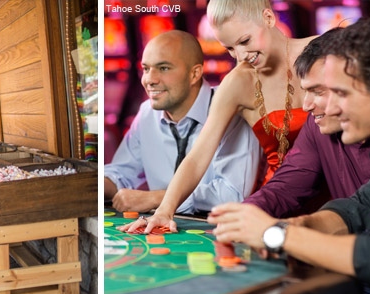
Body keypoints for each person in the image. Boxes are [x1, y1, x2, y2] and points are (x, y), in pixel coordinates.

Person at [208, 18, 370, 294]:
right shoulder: (319, 128)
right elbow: (356, 208)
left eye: (338, 92)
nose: (307, 105)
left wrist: (279, 235)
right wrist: (260, 221)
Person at [121, 0, 316, 233]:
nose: (241, 56)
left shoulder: (323, 52)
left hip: (341, 190)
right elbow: (198, 156)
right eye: (230, 49)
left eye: (244, 41)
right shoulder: (237, 82)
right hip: (279, 202)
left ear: (269, 19)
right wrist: (164, 210)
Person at [105, 30, 259, 214]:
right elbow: (121, 173)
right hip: (162, 228)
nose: (149, 80)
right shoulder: (147, 113)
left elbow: (233, 195)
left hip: (219, 230)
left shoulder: (232, 110)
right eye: (146, 69)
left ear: (194, 74)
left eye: (163, 68)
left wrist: (155, 198)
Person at [243, 27, 370, 218]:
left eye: (319, 91)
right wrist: (245, 213)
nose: (305, 106)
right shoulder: (316, 126)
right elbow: (285, 188)